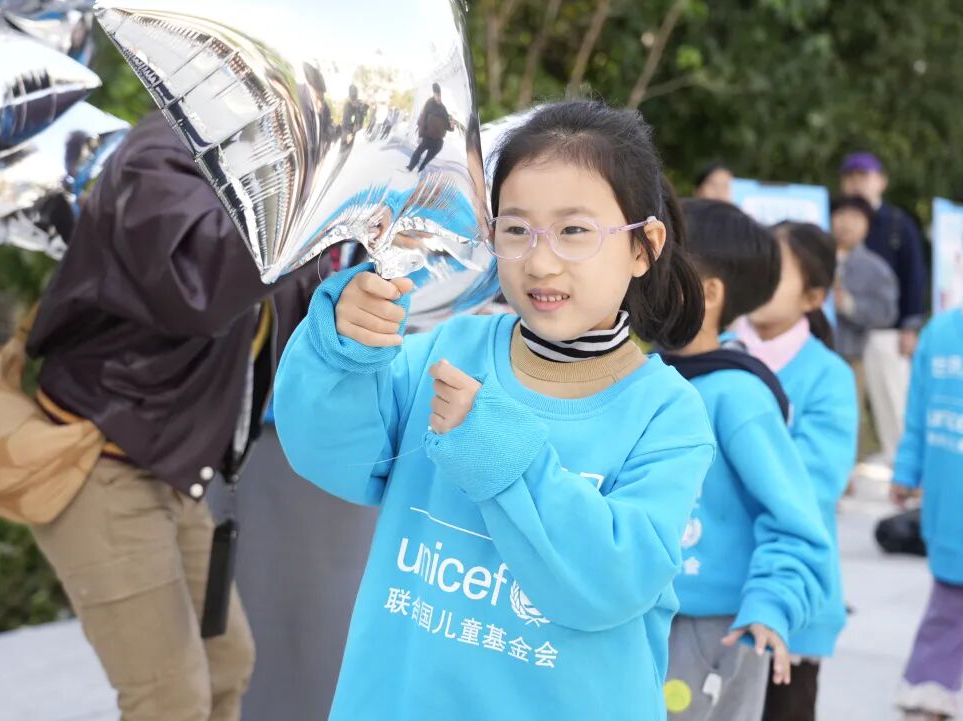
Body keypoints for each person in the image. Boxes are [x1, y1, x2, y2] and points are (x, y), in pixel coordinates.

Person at [274, 100, 716, 720]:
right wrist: (344, 353)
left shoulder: (667, 415)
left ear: (644, 246)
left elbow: (610, 583)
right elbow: (334, 456)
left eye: (574, 231)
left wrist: (497, 452)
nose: (540, 261)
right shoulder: (448, 350)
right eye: (515, 229)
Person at [25, 112, 322, 721]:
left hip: (170, 466)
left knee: (226, 666)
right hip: (98, 458)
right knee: (169, 699)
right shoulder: (159, 155)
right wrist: (312, 202)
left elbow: (295, 313)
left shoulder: (258, 171)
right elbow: (201, 281)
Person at [661, 200, 832, 721]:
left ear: (709, 293)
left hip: (714, 633)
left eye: (660, 266)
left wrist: (772, 602)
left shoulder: (739, 396)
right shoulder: (643, 377)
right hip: (641, 618)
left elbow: (795, 520)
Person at [734, 222, 859, 721]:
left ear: (813, 297)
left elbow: (812, 485)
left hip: (794, 597)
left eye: (776, 271)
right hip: (712, 589)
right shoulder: (713, 354)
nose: (759, 277)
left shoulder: (829, 375)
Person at [892, 216, 963, 721]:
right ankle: (930, 689)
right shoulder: (940, 334)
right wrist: (906, 470)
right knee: (950, 596)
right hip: (955, 501)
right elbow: (919, 414)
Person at [839, 152, 928, 463]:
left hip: (886, 331)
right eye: (851, 177)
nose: (857, 183)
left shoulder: (897, 223)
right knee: (847, 408)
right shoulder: (834, 220)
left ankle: (903, 467)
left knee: (893, 402)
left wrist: (910, 326)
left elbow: (915, 275)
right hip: (844, 334)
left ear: (881, 182)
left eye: (864, 177)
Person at [830, 194, 900, 457]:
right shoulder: (815, 258)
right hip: (812, 349)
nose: (845, 223)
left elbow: (887, 313)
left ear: (867, 225)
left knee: (848, 419)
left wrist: (849, 305)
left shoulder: (876, 268)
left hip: (852, 356)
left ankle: (848, 470)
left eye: (855, 217)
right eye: (840, 215)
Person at [407, 83, 453, 173]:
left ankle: (420, 170)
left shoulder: (443, 108)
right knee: (417, 153)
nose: (439, 98)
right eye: (437, 95)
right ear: (434, 94)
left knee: (428, 158)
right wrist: (420, 135)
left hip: (438, 141)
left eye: (440, 96)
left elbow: (448, 126)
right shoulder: (429, 104)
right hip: (427, 137)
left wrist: (451, 126)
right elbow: (422, 120)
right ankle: (410, 167)